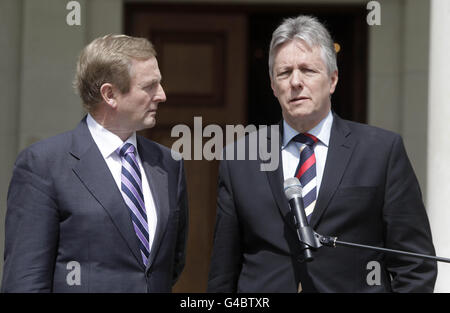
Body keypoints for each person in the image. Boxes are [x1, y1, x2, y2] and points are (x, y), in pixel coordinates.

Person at [207, 15, 437, 292]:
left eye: (308, 70)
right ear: (272, 85)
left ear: (332, 80)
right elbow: (223, 273)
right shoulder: (239, 159)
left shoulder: (382, 152)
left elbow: (416, 265)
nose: (295, 82)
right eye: (284, 72)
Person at [1, 34, 188, 292]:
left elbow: (170, 264)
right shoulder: (43, 165)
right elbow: (25, 279)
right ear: (110, 94)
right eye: (149, 86)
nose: (162, 95)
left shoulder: (168, 164)